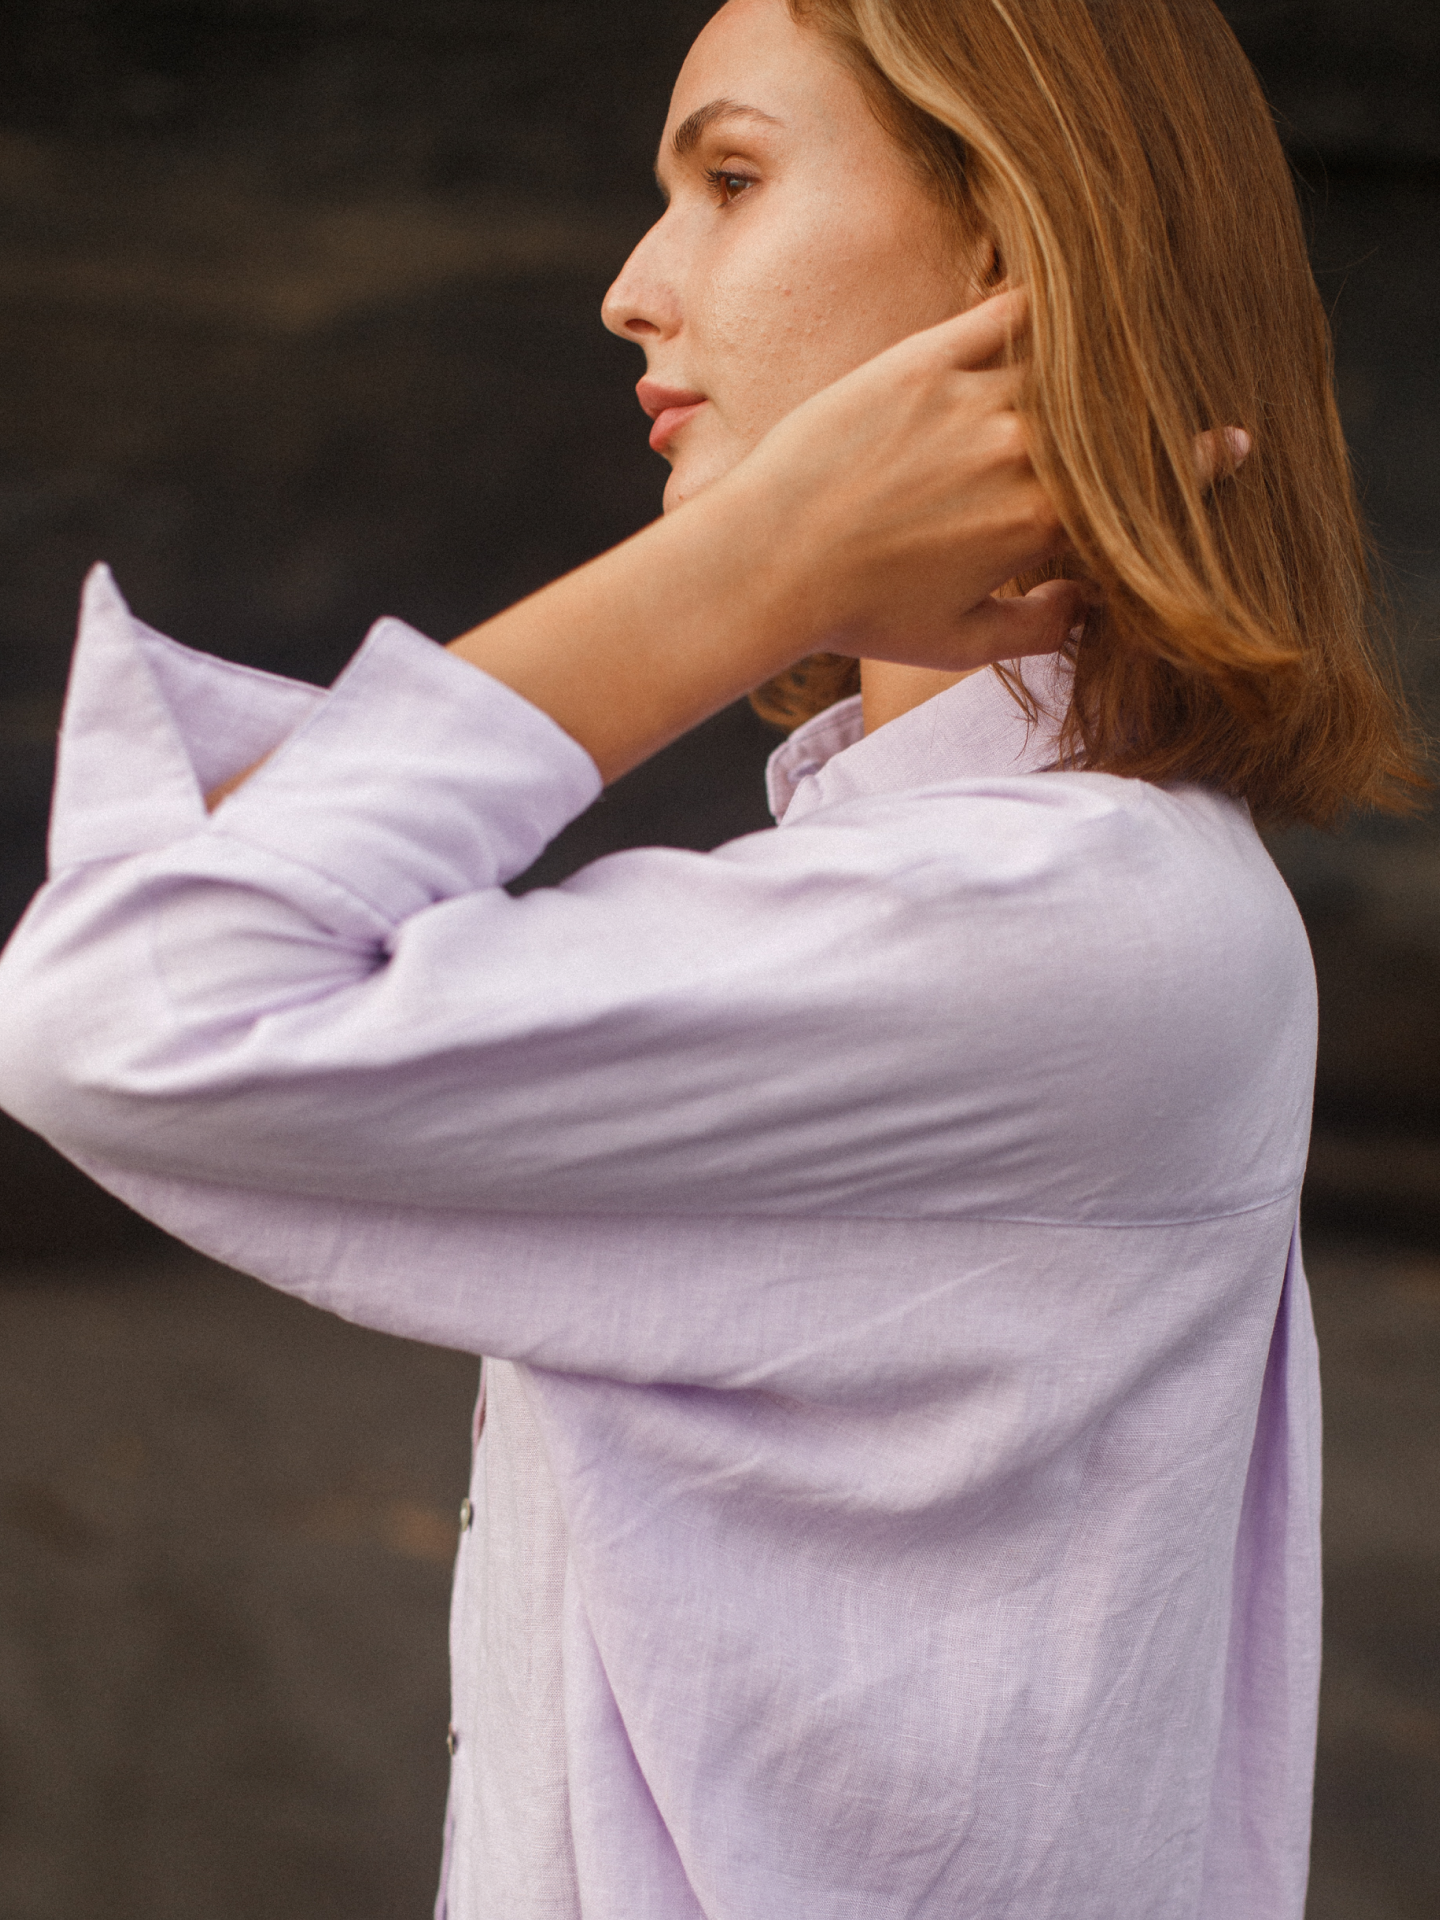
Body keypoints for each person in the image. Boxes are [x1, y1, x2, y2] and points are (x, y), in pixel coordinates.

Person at [0, 0, 1420, 1915]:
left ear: (1014, 254)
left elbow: (136, 1010)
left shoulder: (1065, 928)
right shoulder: (976, 888)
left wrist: (746, 564)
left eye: (731, 180)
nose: (630, 288)